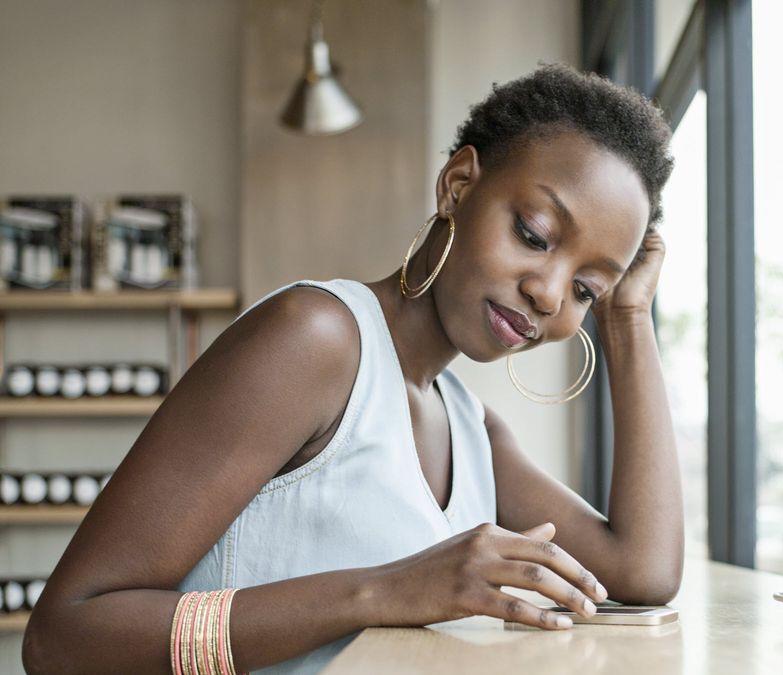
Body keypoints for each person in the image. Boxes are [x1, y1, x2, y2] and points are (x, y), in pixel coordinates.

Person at [22, 63, 682, 674]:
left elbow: (640, 571)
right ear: (458, 184)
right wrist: (383, 589)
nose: (550, 293)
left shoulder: (471, 425)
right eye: (534, 234)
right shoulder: (314, 339)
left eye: (586, 289)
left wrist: (627, 317)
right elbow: (64, 635)